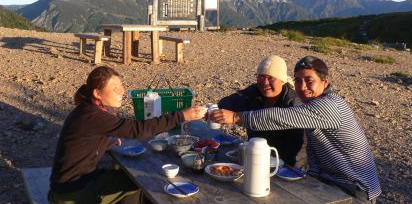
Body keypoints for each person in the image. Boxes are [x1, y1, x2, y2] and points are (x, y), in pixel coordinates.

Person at [212, 56, 381, 203]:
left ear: (325, 81)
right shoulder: (313, 104)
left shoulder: (330, 105)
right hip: (326, 180)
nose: (302, 86)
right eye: (298, 80)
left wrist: (236, 117)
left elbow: (281, 117)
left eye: (309, 80)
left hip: (354, 187)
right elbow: (314, 152)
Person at [49, 66, 206, 204]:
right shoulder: (93, 115)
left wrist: (107, 142)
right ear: (98, 93)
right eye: (115, 88)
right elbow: (137, 129)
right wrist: (182, 116)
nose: (122, 91)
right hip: (71, 193)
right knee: (138, 182)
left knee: (125, 177)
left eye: (121, 86)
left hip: (69, 185)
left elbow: (83, 142)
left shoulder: (88, 110)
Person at [218, 55, 304, 166]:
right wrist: (216, 113)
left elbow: (297, 149)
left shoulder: (293, 103)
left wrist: (237, 117)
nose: (265, 82)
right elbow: (225, 104)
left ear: (282, 81)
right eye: (261, 76)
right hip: (254, 156)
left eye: (271, 78)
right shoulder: (254, 91)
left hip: (285, 165)